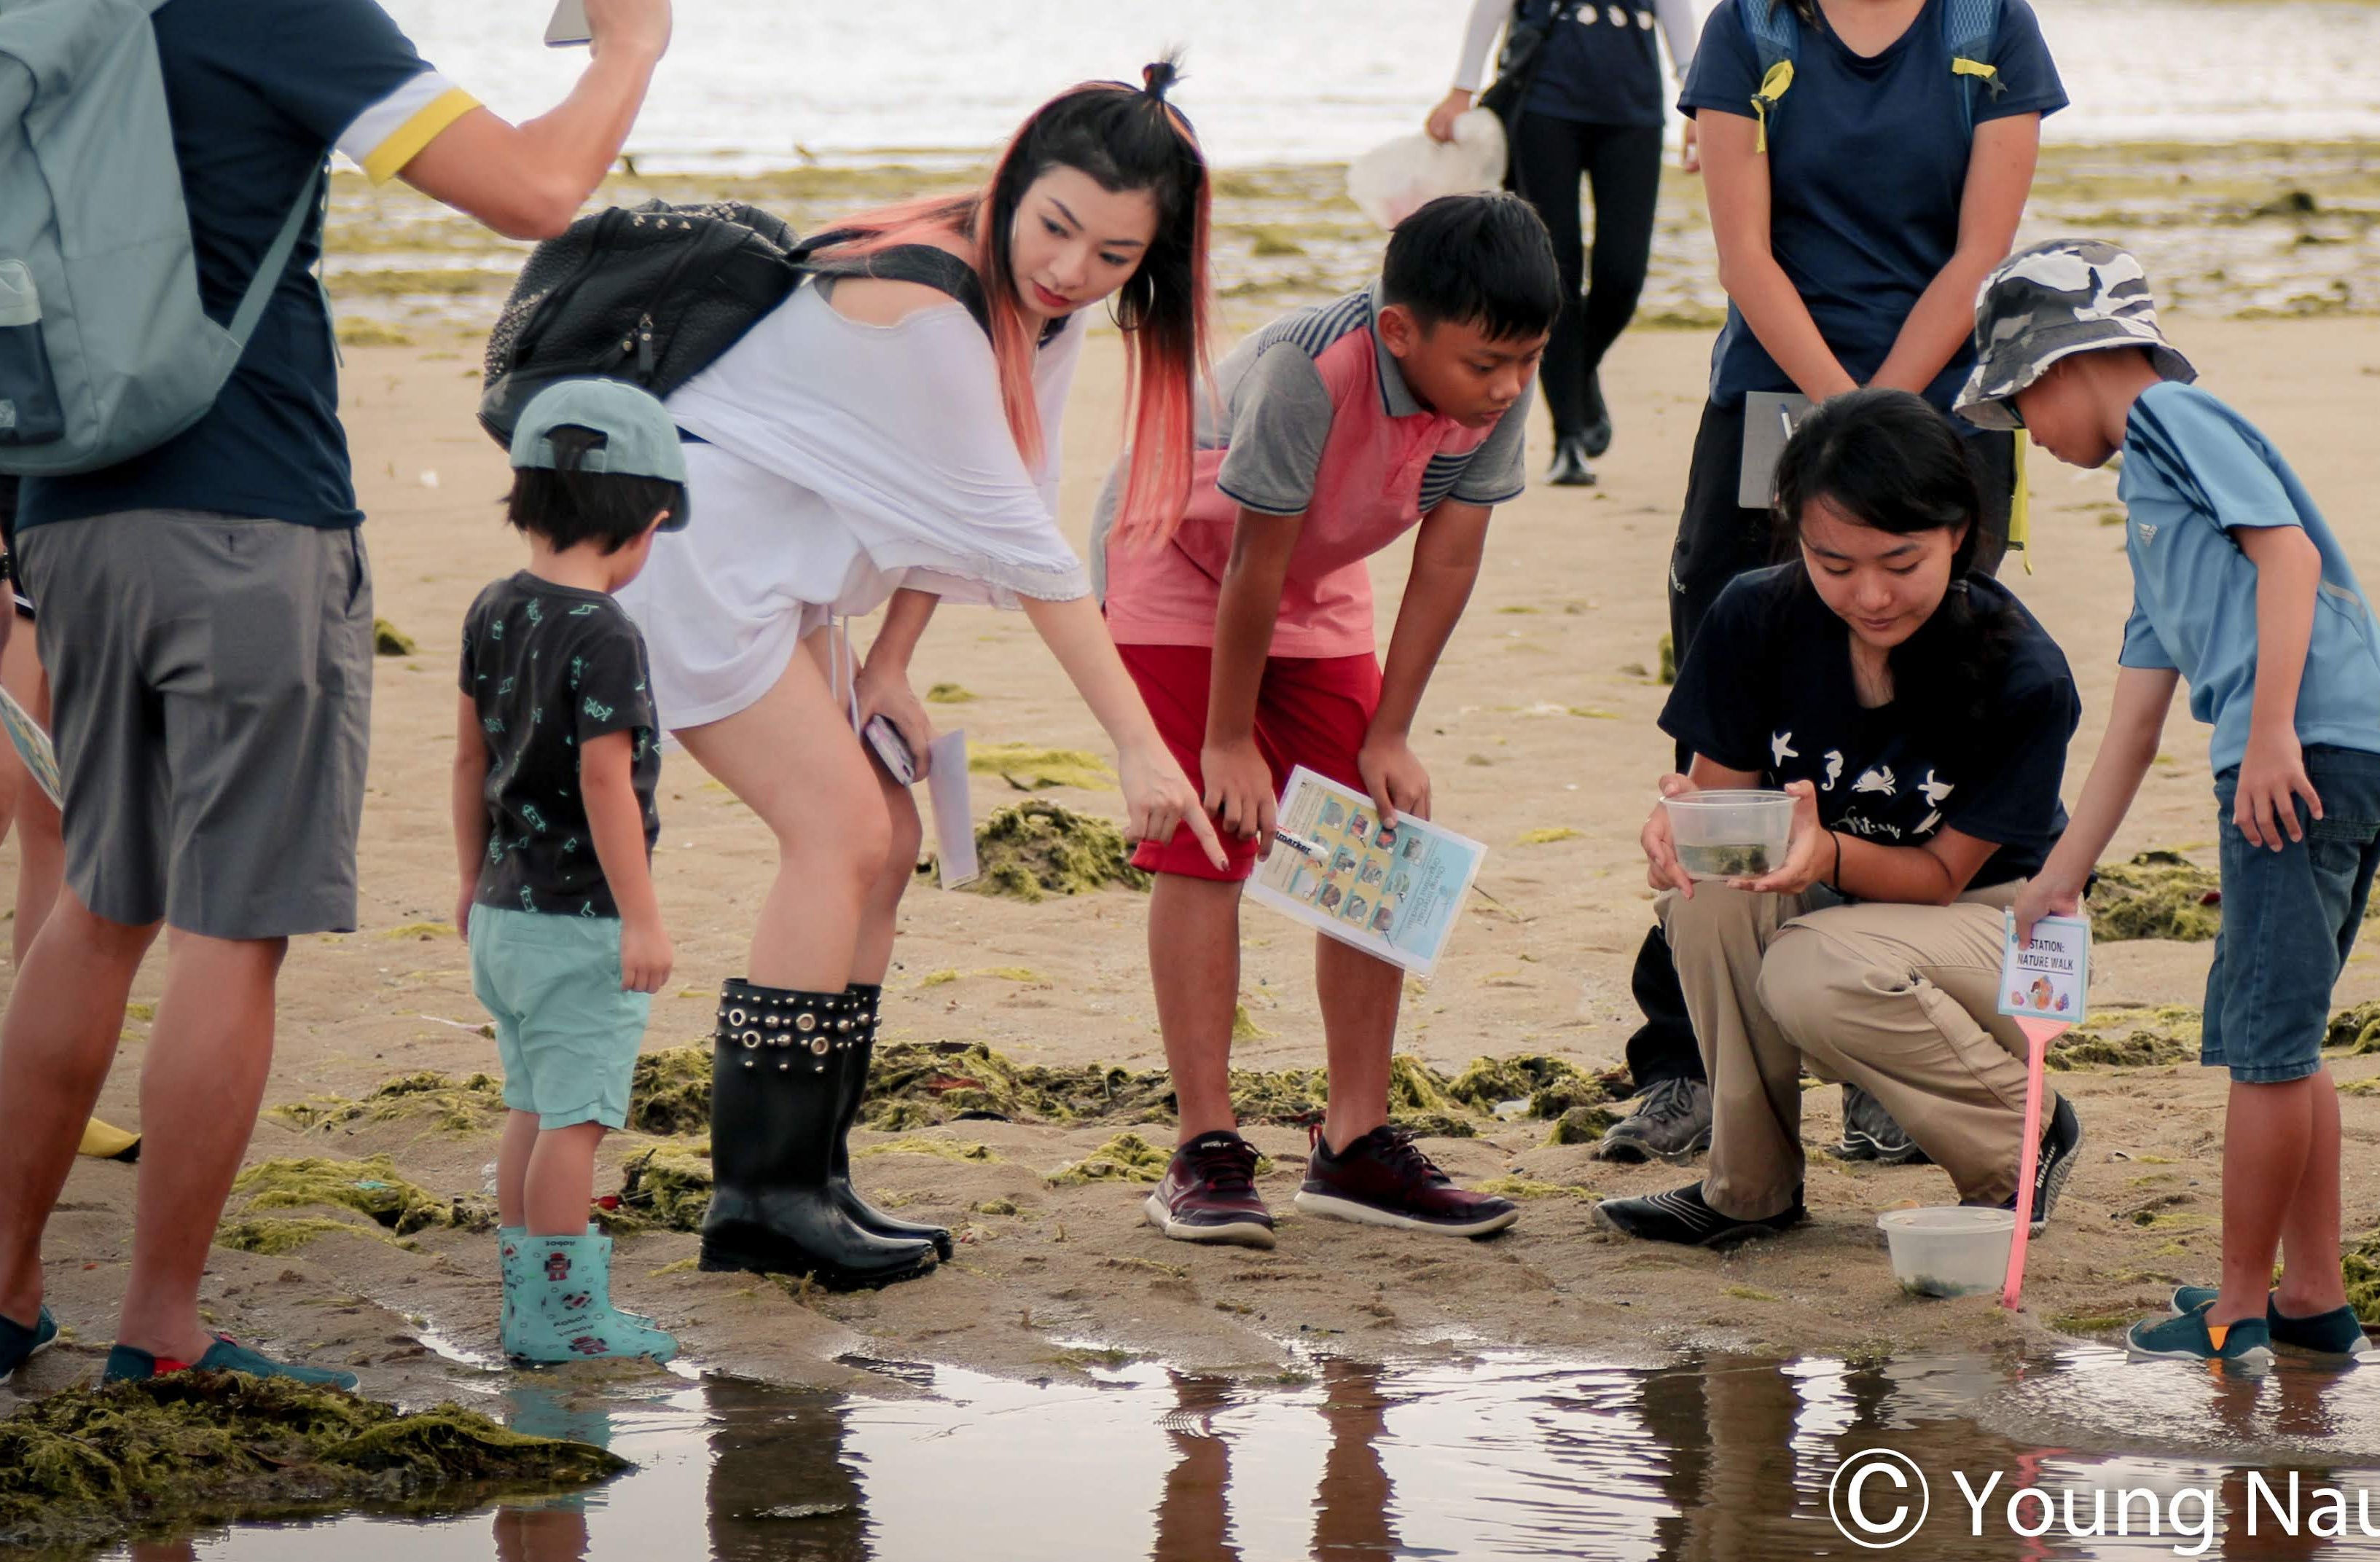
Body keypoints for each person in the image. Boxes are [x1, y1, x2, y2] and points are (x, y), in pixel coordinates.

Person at [0, 0, 674, 1387]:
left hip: (65, 505)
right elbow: (530, 185)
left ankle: (0, 1302)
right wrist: (629, 49)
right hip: (247, 522)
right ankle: (160, 1324)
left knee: (93, 900)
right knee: (231, 923)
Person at [622, 70, 1227, 1290]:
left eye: (1116, 254)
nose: (1070, 269)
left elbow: (974, 493)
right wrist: (1137, 743)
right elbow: (1024, 542)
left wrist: (892, 662)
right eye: (1054, 227)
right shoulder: (924, 302)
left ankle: (815, 1173)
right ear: (1011, 180)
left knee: (890, 838)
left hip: (789, 573)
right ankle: (759, 1198)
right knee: (839, 835)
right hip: (694, 555)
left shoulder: (1035, 309)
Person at [1597, 0, 2067, 1170]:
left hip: (1947, 412)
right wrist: (1836, 416)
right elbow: (1743, 251)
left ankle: (1879, 1046)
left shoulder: (1993, 21)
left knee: (1922, 717)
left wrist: (1893, 420)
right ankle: (1687, 1059)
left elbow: (1982, 252)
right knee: (1729, 732)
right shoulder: (1749, 25)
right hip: (1772, 403)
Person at [1102, 190, 1559, 1247]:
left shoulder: (1499, 382)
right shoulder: (1311, 370)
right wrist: (1225, 742)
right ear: (1399, 330)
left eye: (1525, 360)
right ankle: (1204, 1147)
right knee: (1205, 835)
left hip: (1313, 581)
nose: (1505, 386)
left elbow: (1447, 555)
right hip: (1176, 561)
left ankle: (1353, 1143)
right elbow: (1250, 559)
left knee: (1373, 837)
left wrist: (1388, 731)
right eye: (1485, 364)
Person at [1984, 243, 2380, 1372]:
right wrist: (2061, 871)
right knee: (2287, 1040)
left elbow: (2289, 558)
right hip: (2329, 752)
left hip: (2296, 757)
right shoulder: (2151, 512)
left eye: (2018, 403)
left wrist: (2264, 732)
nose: (2028, 433)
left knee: (2260, 1051)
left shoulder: (2173, 421)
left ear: (2067, 364)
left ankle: (2235, 1313)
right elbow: (2135, 723)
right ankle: (2309, 1294)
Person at [1597, 388, 2083, 1250]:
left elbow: (1938, 878)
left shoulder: (2022, 673)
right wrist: (1679, 825)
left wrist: (1822, 852)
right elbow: (1723, 809)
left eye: (1901, 563)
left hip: (1996, 928)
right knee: (1709, 895)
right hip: (1838, 906)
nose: (1869, 596)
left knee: (1809, 966)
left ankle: (2020, 1136)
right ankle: (1748, 1189)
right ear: (1796, 535)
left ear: (1960, 533)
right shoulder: (1753, 614)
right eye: (1833, 563)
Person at [455, 380, 686, 1366]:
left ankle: (525, 1304)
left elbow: (469, 758)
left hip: (503, 914)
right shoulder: (607, 632)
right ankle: (563, 1316)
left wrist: (470, 879)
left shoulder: (493, 605)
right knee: (578, 1124)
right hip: (580, 922)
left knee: (531, 1108)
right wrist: (642, 918)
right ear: (648, 525)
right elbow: (607, 779)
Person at [1426, 0, 1698, 487]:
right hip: (1542, 101)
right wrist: (1460, 82)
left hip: (1631, 102)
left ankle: (1577, 377)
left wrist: (1696, 97)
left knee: (1620, 273)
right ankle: (1566, 436)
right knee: (1553, 270)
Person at [0, 0, 139, 1162]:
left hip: (45, 492)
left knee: (56, 813)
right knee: (39, 802)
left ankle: (47, 1080)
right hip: (23, 492)